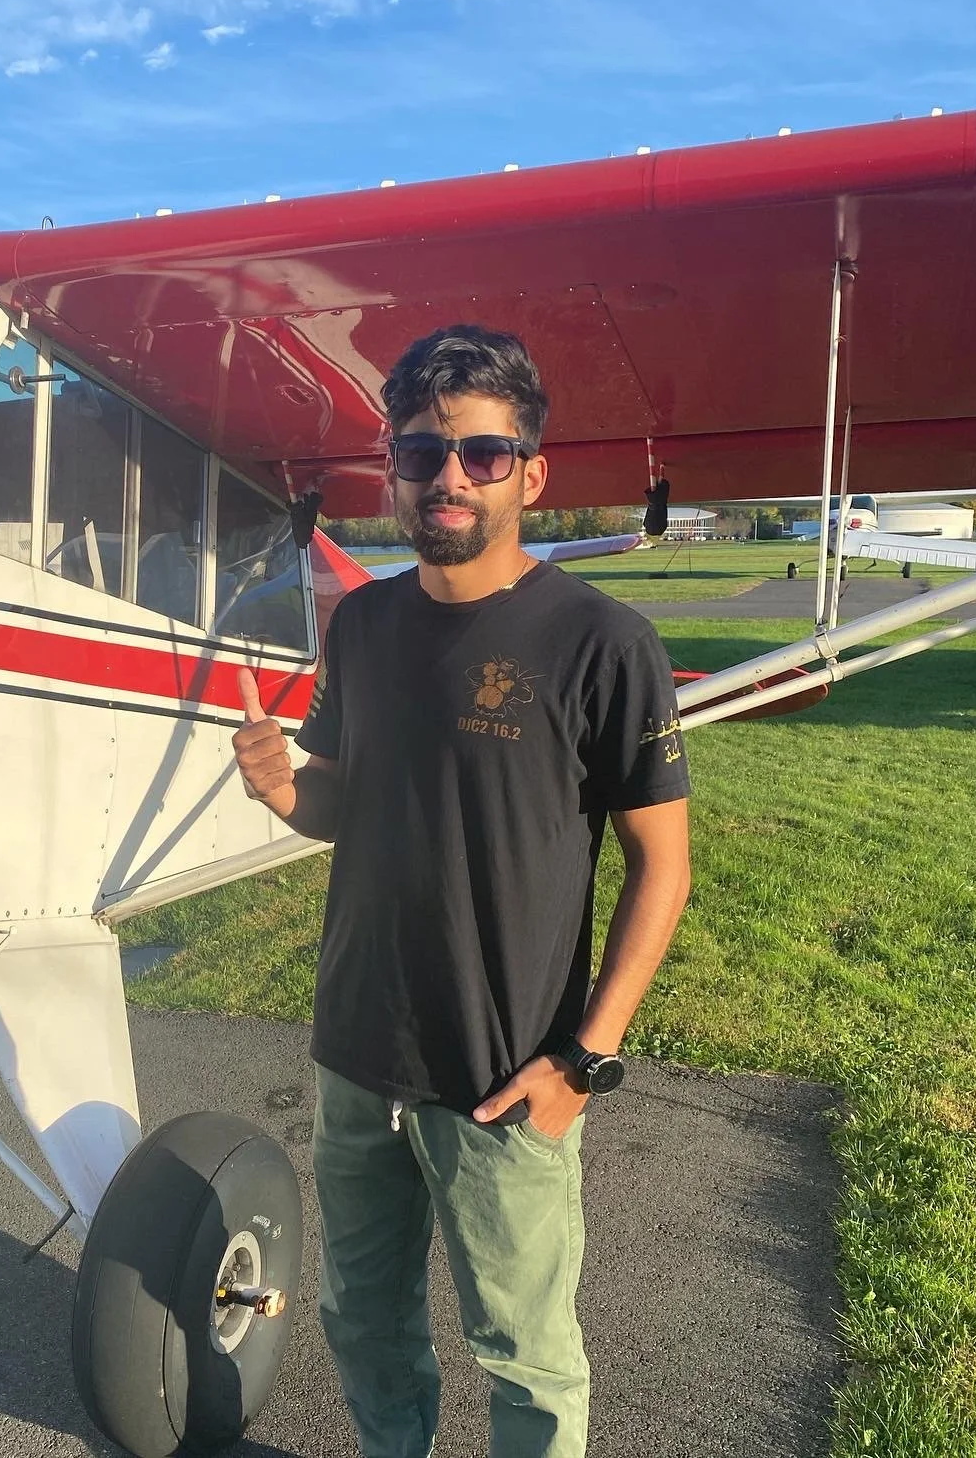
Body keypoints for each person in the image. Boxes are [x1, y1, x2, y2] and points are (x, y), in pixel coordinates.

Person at [232, 324, 691, 1458]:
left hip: (506, 1073)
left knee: (525, 1354)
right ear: (393, 470)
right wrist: (282, 787)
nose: (448, 476)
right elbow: (339, 803)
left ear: (530, 475)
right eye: (420, 452)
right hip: (357, 1054)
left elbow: (663, 866)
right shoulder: (366, 624)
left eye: (483, 453)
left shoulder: (603, 641)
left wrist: (586, 1060)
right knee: (361, 1321)